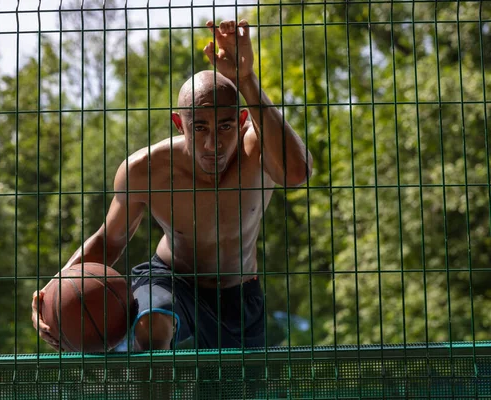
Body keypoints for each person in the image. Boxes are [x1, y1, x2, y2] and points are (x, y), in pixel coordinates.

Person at [31, 19, 313, 351]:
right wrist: (53, 289)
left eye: (224, 126)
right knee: (152, 325)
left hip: (238, 292)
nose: (213, 144)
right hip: (169, 279)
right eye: (199, 127)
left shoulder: (260, 148)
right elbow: (109, 240)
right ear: (180, 124)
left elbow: (297, 174)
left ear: (241, 120)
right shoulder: (147, 169)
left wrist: (246, 80)